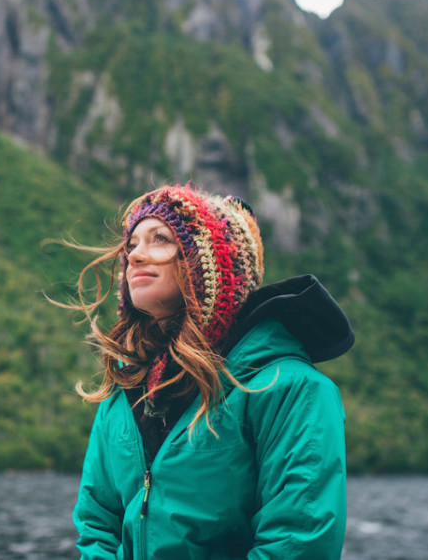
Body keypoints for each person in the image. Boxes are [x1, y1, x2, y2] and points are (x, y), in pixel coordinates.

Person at [67, 184, 354, 559]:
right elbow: (97, 525)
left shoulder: (291, 389)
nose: (135, 255)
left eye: (161, 239)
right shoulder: (125, 390)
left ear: (211, 266)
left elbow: (297, 543)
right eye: (132, 244)